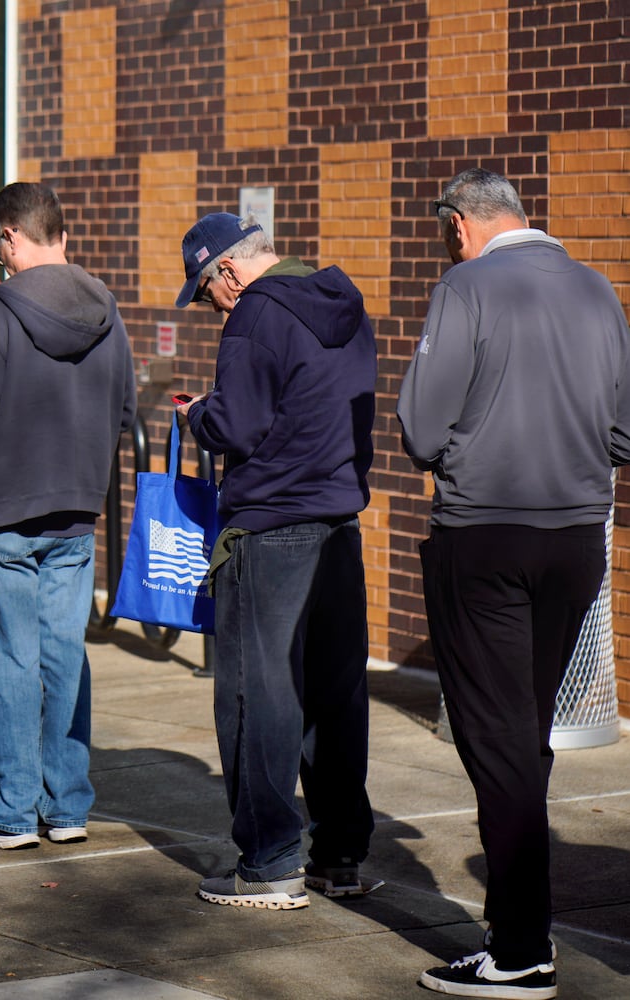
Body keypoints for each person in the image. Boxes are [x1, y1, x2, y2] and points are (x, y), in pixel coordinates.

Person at [398, 168, 630, 999]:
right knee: (522, 733)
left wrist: (466, 452)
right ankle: (518, 933)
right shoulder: (596, 290)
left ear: (460, 224)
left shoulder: (464, 285)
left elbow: (420, 427)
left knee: (496, 741)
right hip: (574, 537)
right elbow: (624, 428)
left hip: (484, 535)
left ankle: (521, 949)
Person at [172, 212, 378, 910]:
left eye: (205, 293)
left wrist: (197, 413)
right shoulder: (343, 304)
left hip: (269, 527)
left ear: (227, 271)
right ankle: (337, 856)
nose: (210, 308)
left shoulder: (254, 316)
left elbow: (237, 424)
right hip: (338, 520)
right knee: (334, 695)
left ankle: (266, 862)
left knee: (256, 696)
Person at [0, 182, 136, 849]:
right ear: (62, 234)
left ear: (10, 239)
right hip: (74, 507)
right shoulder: (106, 306)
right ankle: (66, 805)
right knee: (62, 658)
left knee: (8, 661)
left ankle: (11, 811)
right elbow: (126, 406)